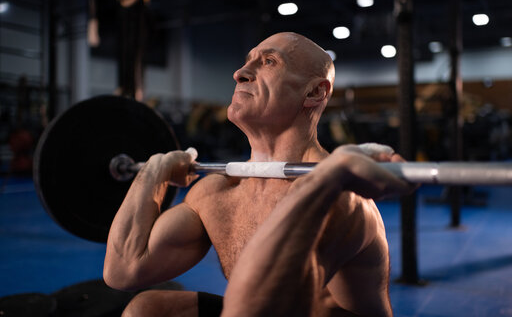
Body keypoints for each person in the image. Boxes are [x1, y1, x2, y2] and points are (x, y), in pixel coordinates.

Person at [103, 32, 412, 317]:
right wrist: (153, 173)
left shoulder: (342, 202)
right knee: (147, 310)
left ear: (315, 92)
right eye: (247, 60)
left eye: (268, 61)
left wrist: (326, 181)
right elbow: (124, 270)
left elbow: (262, 309)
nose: (240, 73)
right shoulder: (216, 193)